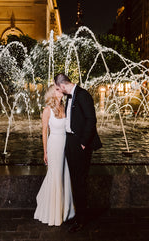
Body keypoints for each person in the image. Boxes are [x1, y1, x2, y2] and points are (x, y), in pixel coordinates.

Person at [54, 73, 102, 233]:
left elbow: (91, 119)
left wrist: (83, 142)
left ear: (62, 85)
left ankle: (81, 219)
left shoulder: (82, 95)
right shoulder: (71, 96)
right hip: (71, 142)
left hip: (80, 144)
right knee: (74, 180)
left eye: (57, 87)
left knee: (80, 182)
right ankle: (78, 215)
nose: (58, 90)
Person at [34, 84, 75, 226]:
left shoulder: (65, 107)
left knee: (64, 175)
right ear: (52, 93)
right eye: (58, 89)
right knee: (56, 175)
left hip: (66, 145)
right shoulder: (47, 110)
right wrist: (45, 152)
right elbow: (44, 132)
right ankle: (53, 213)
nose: (61, 91)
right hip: (54, 145)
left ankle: (64, 210)